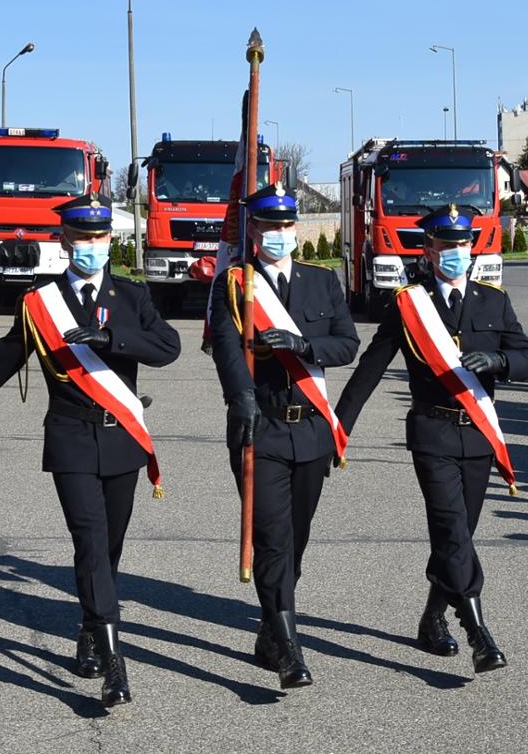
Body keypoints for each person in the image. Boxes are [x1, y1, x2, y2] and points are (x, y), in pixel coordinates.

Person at [0, 192, 180, 708]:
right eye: (81, 236)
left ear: (110, 240)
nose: (91, 245)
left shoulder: (133, 297)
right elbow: (3, 360)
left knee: (109, 547)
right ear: (65, 241)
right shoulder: (40, 303)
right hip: (70, 438)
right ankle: (115, 663)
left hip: (121, 436)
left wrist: (111, 338)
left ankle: (89, 627)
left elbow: (168, 348)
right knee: (90, 541)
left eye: (99, 236)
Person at [336, 204, 528, 675]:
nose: (456, 252)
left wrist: (500, 362)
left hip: (479, 434)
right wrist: (339, 427)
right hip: (433, 432)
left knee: (459, 535)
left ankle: (432, 620)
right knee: (450, 529)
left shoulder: (493, 300)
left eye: (462, 244)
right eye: (446, 245)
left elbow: (527, 356)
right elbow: (370, 368)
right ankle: (478, 632)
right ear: (428, 251)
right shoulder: (409, 303)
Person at [208, 183, 360, 689]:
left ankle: (272, 627)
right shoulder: (235, 283)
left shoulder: (322, 280)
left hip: (311, 429)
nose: (278, 233)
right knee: (272, 539)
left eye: (285, 225)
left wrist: (303, 345)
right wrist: (241, 397)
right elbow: (226, 347)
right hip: (262, 426)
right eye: (268, 225)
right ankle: (291, 650)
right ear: (252, 230)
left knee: (295, 538)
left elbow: (347, 344)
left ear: (296, 228)